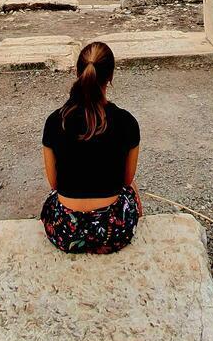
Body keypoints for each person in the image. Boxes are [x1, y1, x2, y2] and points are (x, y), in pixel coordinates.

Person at [40, 40, 142, 255]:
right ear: (110, 77)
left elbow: (54, 182)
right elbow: (126, 180)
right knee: (132, 188)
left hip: (64, 231)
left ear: (77, 73)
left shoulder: (54, 121)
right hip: (114, 231)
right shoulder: (127, 122)